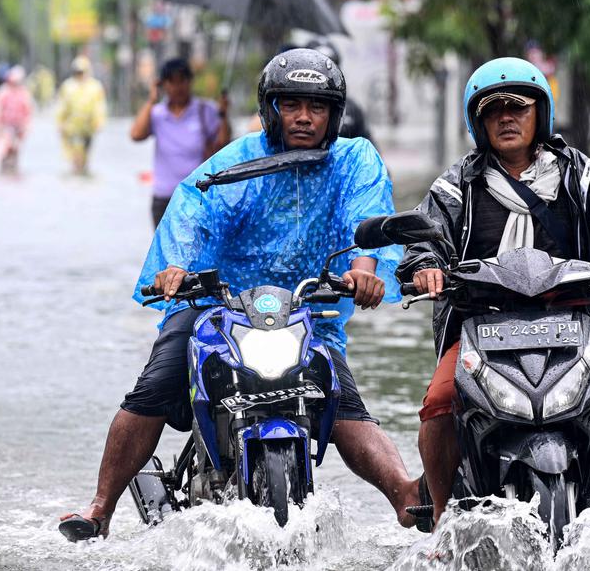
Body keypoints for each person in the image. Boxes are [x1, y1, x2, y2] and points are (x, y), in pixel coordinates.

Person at [58, 48, 420, 542]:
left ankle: (404, 494)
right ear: (270, 109)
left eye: (317, 108)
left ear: (335, 115)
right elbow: (194, 211)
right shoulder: (236, 161)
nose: (304, 118)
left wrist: (363, 273)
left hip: (306, 309)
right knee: (157, 386)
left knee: (340, 398)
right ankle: (100, 508)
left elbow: (366, 219)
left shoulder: (353, 160)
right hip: (215, 305)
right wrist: (177, 268)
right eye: (291, 105)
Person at [398, 57, 590, 526]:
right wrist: (426, 265)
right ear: (479, 121)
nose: (506, 118)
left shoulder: (580, 176)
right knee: (437, 404)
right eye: (493, 110)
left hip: (568, 326)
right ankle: (441, 517)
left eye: (518, 107)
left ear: (541, 114)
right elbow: (425, 236)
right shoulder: (456, 185)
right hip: (481, 326)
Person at [130, 57, 231, 226]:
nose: (177, 87)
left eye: (182, 81)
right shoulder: (156, 113)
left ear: (190, 82)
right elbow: (136, 135)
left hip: (197, 195)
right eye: (172, 82)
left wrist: (224, 115)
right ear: (163, 84)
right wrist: (151, 100)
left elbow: (223, 144)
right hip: (163, 198)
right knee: (165, 252)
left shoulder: (205, 110)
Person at [55, 56, 107, 175]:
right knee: (75, 154)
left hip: (88, 127)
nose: (80, 74)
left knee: (86, 154)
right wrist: (60, 123)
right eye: (77, 72)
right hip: (72, 127)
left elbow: (99, 107)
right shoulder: (68, 86)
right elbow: (61, 106)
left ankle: (83, 169)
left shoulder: (95, 87)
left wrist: (99, 122)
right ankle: (76, 168)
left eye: (82, 72)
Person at [0, 65, 36, 174]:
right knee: (4, 148)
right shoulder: (3, 92)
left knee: (16, 148)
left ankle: (13, 167)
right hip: (5, 126)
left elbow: (28, 111)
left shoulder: (24, 93)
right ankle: (4, 167)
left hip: (18, 127)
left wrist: (26, 126)